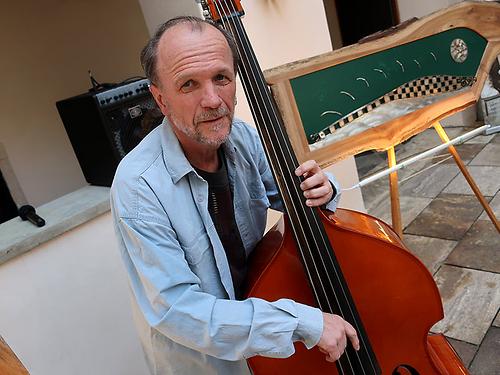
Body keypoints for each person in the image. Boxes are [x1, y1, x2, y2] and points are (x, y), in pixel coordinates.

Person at [110, 16, 359, 375]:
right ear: (160, 98)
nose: (213, 100)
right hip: (204, 364)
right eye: (189, 85)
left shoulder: (243, 138)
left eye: (221, 78)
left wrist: (324, 187)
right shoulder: (138, 187)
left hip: (263, 337)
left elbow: (292, 196)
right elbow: (177, 308)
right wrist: (298, 322)